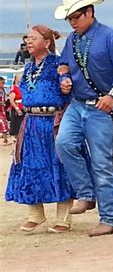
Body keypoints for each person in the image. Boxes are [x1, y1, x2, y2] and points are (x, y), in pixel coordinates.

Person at [54, 0, 113, 236]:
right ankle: (86, 193)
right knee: (64, 144)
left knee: (102, 164)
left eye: (76, 16)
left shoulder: (112, 37)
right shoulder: (71, 40)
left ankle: (109, 218)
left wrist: (112, 95)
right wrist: (65, 77)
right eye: (69, 18)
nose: (73, 22)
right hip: (77, 104)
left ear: (90, 12)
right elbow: (63, 64)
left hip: (102, 107)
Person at [5, 25, 74, 233]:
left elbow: (66, 82)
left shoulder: (58, 64)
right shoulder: (28, 68)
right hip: (31, 122)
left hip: (53, 121)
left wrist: (65, 83)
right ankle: (35, 214)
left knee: (59, 164)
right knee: (29, 165)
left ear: (47, 42)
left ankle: (64, 218)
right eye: (27, 38)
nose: (28, 42)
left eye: (33, 38)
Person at [8, 73, 24, 142]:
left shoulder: (22, 87)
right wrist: (17, 109)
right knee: (17, 127)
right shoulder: (14, 88)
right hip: (17, 109)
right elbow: (11, 100)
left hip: (23, 108)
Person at [0, 77, 11, 145]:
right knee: (3, 123)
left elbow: (5, 99)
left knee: (4, 122)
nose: (3, 85)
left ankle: (5, 139)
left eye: (4, 83)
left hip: (3, 109)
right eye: (2, 83)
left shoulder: (3, 90)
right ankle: (5, 140)